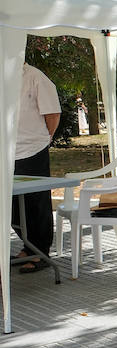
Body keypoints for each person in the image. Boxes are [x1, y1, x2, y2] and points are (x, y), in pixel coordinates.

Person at [12, 62, 61, 272]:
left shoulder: (35, 77)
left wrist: (44, 140)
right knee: (13, 206)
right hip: (8, 154)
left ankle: (41, 252)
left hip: (33, 150)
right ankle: (28, 246)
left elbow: (53, 114)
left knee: (36, 204)